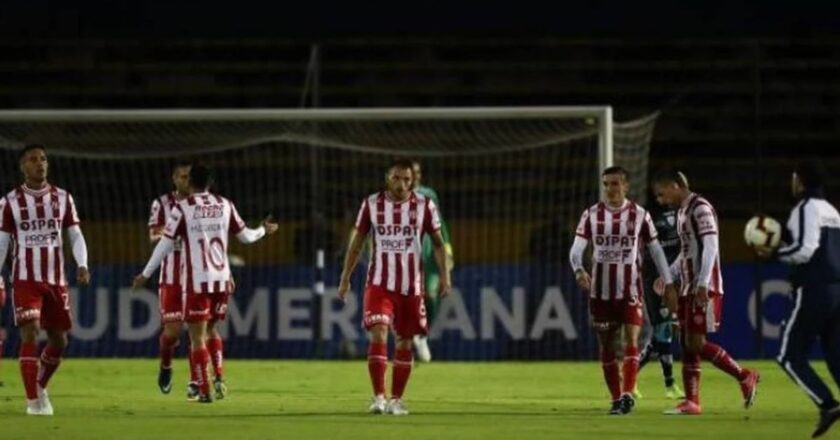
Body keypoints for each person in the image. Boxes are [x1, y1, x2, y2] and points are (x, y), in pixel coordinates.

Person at [133, 164, 277, 403]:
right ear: (210, 183)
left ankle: (204, 389)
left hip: (196, 280)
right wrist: (263, 229)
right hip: (220, 280)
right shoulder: (225, 204)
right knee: (201, 332)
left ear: (191, 183)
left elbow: (164, 244)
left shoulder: (183, 208)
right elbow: (247, 237)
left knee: (197, 336)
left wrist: (145, 274)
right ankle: (213, 378)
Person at [338, 158, 451, 416]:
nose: (402, 185)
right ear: (387, 178)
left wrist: (445, 276)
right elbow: (356, 243)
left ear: (413, 181)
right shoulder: (371, 204)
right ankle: (378, 397)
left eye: (407, 180)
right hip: (379, 283)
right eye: (397, 178)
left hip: (411, 286)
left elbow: (437, 242)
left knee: (405, 340)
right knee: (378, 332)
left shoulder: (425, 205)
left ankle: (396, 400)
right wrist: (345, 277)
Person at [569, 166, 678, 415]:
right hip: (600, 294)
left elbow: (656, 250)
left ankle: (628, 394)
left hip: (630, 291)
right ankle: (616, 398)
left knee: (631, 341)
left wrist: (668, 281)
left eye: (615, 184)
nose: (610, 189)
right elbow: (576, 249)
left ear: (626, 186)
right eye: (606, 184)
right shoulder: (591, 215)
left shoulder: (640, 215)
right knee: (608, 347)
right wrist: (578, 269)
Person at [652, 169, 760, 415]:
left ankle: (745, 375)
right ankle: (692, 402)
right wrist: (667, 275)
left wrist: (703, 283)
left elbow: (711, 245)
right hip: (689, 287)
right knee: (686, 341)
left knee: (696, 342)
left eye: (662, 193)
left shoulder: (700, 207)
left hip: (704, 287)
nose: (661, 200)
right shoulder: (682, 212)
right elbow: (687, 253)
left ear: (676, 185)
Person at [0, 144, 91, 415]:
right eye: (32, 160)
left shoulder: (63, 198)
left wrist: (83, 264)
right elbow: (2, 242)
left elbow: (74, 234)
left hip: (56, 279)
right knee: (30, 331)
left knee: (60, 340)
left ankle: (40, 385)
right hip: (25, 278)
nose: (40, 163)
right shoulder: (10, 202)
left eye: (43, 159)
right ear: (22, 167)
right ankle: (32, 403)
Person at [755, 160, 840, 438]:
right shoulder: (832, 210)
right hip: (837, 289)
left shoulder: (804, 209)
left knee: (789, 356)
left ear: (800, 181)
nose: (791, 183)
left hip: (814, 289)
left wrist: (775, 252)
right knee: (836, 355)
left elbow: (804, 250)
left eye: (793, 178)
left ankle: (827, 405)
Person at [148, 162, 202, 397]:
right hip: (170, 277)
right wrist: (174, 231)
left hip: (196, 276)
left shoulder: (203, 204)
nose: (187, 181)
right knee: (171, 333)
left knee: (195, 330)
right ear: (174, 179)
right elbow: (152, 234)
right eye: (182, 176)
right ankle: (166, 365)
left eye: (190, 177)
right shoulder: (161, 204)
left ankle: (195, 380)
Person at [636, 178, 686, 400]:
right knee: (664, 329)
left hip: (672, 277)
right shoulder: (651, 217)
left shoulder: (681, 214)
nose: (660, 198)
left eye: (661, 192)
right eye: (657, 194)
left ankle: (630, 375)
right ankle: (668, 384)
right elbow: (645, 249)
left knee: (665, 331)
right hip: (654, 278)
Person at [409, 159, 454, 362]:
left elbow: (440, 224)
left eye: (418, 172)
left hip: (429, 254)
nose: (415, 176)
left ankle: (422, 336)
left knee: (433, 294)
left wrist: (448, 249)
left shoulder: (429, 195)